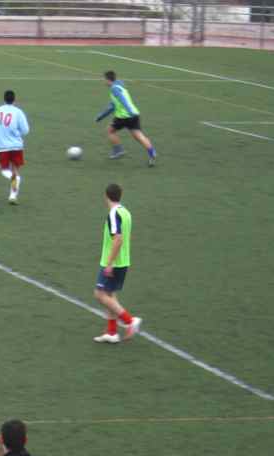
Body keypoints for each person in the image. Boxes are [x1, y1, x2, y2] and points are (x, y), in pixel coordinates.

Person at [93, 183, 142, 343]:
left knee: (99, 294)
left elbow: (118, 239)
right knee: (110, 294)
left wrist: (109, 263)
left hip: (114, 262)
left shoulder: (114, 214)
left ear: (106, 196)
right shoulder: (126, 212)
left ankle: (130, 321)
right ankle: (112, 333)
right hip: (124, 261)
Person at [95, 70, 156, 166]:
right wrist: (101, 116)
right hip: (135, 114)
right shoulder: (120, 85)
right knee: (139, 136)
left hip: (124, 116)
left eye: (104, 79)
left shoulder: (114, 89)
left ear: (108, 80)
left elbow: (121, 101)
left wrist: (100, 116)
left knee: (110, 131)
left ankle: (118, 150)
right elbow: (113, 105)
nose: (103, 81)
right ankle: (152, 153)